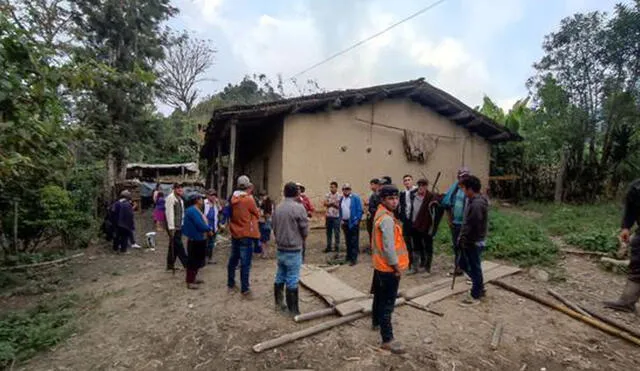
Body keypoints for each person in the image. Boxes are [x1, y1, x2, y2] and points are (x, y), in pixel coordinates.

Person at [371, 184, 409, 354]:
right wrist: (396, 268)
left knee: (379, 297)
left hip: (379, 266)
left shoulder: (380, 213)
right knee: (387, 304)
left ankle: (376, 322)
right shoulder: (386, 219)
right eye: (390, 199)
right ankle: (387, 339)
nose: (394, 202)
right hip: (388, 268)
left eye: (396, 198)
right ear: (383, 200)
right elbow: (389, 248)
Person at [272, 182, 309, 315]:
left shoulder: (278, 207)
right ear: (297, 193)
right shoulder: (299, 208)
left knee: (280, 274)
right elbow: (304, 229)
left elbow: (274, 227)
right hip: (293, 249)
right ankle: (293, 310)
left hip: (281, 248)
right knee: (292, 278)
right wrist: (302, 239)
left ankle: (278, 303)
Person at [604, 179, 640, 312]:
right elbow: (631, 208)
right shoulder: (636, 187)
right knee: (638, 264)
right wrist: (626, 227)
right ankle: (627, 301)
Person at [457, 175, 489, 306]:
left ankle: (476, 294)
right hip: (471, 240)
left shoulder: (477, 204)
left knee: (474, 267)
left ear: (470, 189)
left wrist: (464, 238)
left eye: (464, 188)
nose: (463, 192)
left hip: (473, 241)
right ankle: (479, 285)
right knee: (464, 264)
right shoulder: (473, 200)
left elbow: (473, 225)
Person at [227, 175, 261, 299]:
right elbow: (256, 213)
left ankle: (231, 282)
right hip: (246, 233)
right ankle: (245, 289)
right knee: (245, 263)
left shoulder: (232, 197)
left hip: (235, 232)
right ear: (247, 186)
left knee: (233, 258)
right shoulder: (248, 199)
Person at [441, 167, 471, 277]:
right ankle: (458, 268)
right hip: (455, 223)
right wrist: (450, 220)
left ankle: (469, 272)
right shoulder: (455, 189)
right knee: (456, 246)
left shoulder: (470, 190)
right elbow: (447, 204)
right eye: (461, 176)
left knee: (466, 247)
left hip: (466, 224)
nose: (463, 179)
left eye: (465, 176)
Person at [182, 194, 213, 289]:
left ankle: (193, 278)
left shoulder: (196, 210)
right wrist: (208, 229)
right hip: (195, 238)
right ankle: (190, 281)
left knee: (197, 260)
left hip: (199, 238)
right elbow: (199, 224)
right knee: (193, 260)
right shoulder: (192, 211)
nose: (202, 201)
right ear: (196, 200)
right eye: (201, 199)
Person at [411, 178, 440, 273]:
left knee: (428, 246)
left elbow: (440, 202)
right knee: (416, 246)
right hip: (415, 225)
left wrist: (435, 199)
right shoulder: (413, 195)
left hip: (426, 226)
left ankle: (427, 267)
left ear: (426, 186)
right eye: (419, 185)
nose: (421, 187)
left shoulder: (431, 197)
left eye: (423, 185)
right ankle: (415, 267)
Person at [339, 183, 364, 266]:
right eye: (345, 189)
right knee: (347, 240)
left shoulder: (355, 198)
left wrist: (357, 220)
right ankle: (348, 256)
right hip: (345, 222)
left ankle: (354, 259)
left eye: (348, 189)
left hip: (353, 222)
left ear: (350, 190)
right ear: (342, 190)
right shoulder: (341, 199)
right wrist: (341, 219)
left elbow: (360, 210)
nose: (346, 191)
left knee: (354, 241)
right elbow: (340, 210)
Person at [165, 183, 187, 271]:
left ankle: (170, 265)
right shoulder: (171, 198)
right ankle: (186, 263)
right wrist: (171, 228)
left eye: (181, 188)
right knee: (179, 245)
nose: (180, 190)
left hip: (179, 225)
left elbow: (182, 213)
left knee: (173, 246)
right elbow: (169, 213)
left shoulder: (180, 199)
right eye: (178, 188)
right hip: (173, 227)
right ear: (174, 189)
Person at [398, 175, 417, 270]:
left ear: (412, 181)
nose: (407, 182)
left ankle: (421, 262)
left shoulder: (417, 191)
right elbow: (401, 206)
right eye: (405, 180)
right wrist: (401, 218)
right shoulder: (402, 193)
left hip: (416, 220)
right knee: (407, 242)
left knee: (417, 242)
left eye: (409, 180)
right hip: (406, 220)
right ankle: (410, 262)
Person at [323, 181, 341, 253]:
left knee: (337, 232)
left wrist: (332, 204)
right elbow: (325, 203)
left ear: (336, 188)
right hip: (329, 216)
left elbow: (339, 206)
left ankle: (337, 247)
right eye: (331, 187)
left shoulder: (340, 196)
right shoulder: (327, 195)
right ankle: (329, 247)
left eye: (333, 187)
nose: (332, 188)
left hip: (336, 216)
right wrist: (332, 203)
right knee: (328, 232)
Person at [204, 189, 220, 264]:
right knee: (204, 243)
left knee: (211, 243)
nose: (213, 197)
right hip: (205, 226)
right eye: (211, 195)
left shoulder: (215, 204)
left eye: (214, 195)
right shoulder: (204, 203)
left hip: (214, 226)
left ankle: (209, 258)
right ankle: (203, 258)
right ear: (207, 196)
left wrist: (217, 203)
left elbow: (220, 210)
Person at [366, 178, 382, 254]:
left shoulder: (380, 194)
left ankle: (379, 251)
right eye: (371, 184)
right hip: (370, 218)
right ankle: (373, 248)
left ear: (377, 185)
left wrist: (372, 210)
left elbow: (377, 207)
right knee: (372, 234)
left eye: (372, 184)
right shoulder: (371, 194)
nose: (371, 186)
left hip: (378, 218)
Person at [258, 191, 274, 259]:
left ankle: (265, 253)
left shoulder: (267, 203)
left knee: (264, 239)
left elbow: (268, 214)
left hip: (265, 222)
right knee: (263, 239)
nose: (262, 197)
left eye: (263, 196)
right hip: (263, 222)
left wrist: (262, 215)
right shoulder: (262, 202)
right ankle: (264, 252)